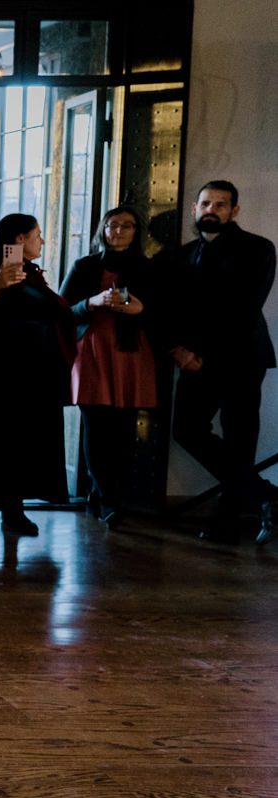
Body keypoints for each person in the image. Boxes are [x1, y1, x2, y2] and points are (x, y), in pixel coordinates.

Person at [168, 180, 277, 544]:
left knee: (240, 438)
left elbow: (244, 306)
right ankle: (265, 495)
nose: (211, 210)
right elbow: (171, 309)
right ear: (195, 208)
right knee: (186, 429)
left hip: (242, 357)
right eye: (205, 204)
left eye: (220, 204)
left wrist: (200, 352)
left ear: (234, 211)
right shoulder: (181, 255)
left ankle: (228, 522)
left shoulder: (258, 248)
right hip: (192, 359)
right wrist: (177, 349)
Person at [0, 213, 74, 537]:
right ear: (19, 239)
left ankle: (14, 510)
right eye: (37, 235)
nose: (42, 241)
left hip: (32, 373)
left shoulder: (30, 272)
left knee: (23, 442)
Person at [59, 206, 159, 528]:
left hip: (131, 352)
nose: (118, 231)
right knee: (96, 425)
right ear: (102, 230)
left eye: (127, 226)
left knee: (125, 429)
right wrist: (92, 302)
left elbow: (163, 314)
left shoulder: (148, 268)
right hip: (93, 349)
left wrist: (140, 310)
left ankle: (109, 495)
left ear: (136, 232)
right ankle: (107, 499)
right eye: (112, 225)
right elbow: (62, 311)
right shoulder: (85, 265)